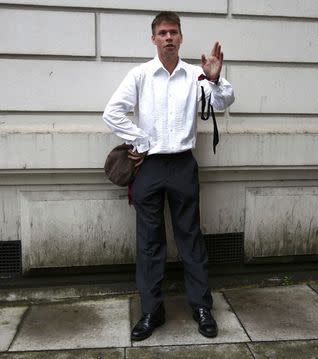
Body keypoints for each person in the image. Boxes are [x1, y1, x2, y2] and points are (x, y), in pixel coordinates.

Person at [103, 11, 235, 340]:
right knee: (149, 243)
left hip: (182, 165)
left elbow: (223, 102)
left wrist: (216, 78)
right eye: (162, 33)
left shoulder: (195, 75)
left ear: (181, 37)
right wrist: (141, 140)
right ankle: (151, 310)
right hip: (149, 167)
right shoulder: (140, 75)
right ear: (153, 38)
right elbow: (112, 112)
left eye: (173, 32)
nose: (168, 38)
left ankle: (201, 307)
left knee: (190, 237)